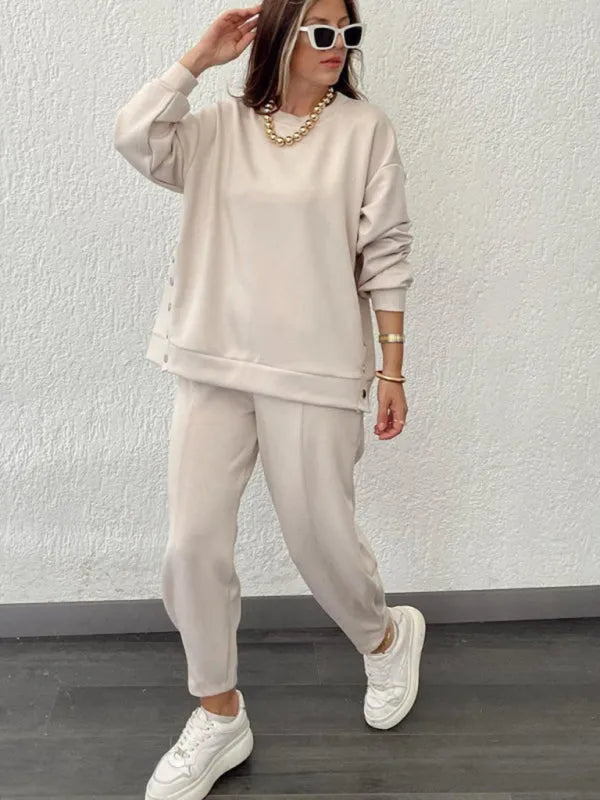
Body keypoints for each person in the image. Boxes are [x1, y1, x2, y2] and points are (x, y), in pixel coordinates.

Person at [114, 1, 426, 797]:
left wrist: (392, 371)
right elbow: (136, 137)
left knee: (320, 539)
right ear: (283, 35)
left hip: (315, 367)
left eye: (349, 33)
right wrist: (196, 59)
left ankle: (385, 637)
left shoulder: (364, 131)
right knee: (191, 547)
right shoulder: (218, 128)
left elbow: (386, 251)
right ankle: (218, 713)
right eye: (321, 31)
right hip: (211, 359)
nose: (337, 46)